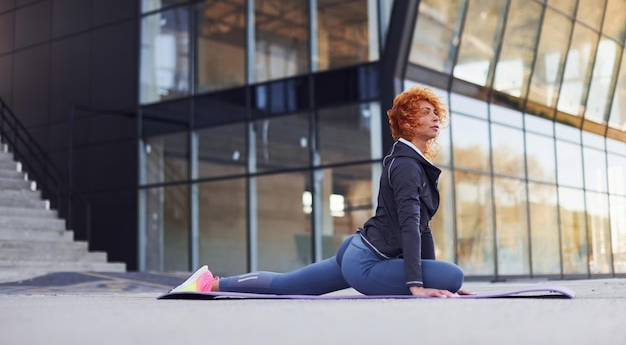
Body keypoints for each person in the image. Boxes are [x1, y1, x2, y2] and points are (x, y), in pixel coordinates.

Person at [170, 85, 473, 297]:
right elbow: (410, 224)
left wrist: (434, 277)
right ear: (407, 121)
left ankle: (211, 283)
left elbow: (422, 229)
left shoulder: (412, 162)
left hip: (357, 250)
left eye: (436, 112)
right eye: (425, 112)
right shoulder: (407, 166)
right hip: (367, 262)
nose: (435, 118)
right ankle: (209, 283)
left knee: (286, 285)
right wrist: (419, 284)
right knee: (454, 275)